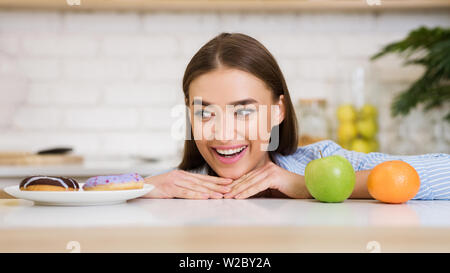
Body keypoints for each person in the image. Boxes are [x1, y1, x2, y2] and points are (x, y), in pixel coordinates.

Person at [143, 33, 450, 200]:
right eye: (205, 112)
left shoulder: (319, 161)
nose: (224, 134)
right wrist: (141, 189)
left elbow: (444, 173)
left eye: (244, 110)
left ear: (278, 111)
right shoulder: (180, 186)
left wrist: (309, 186)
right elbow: (97, 196)